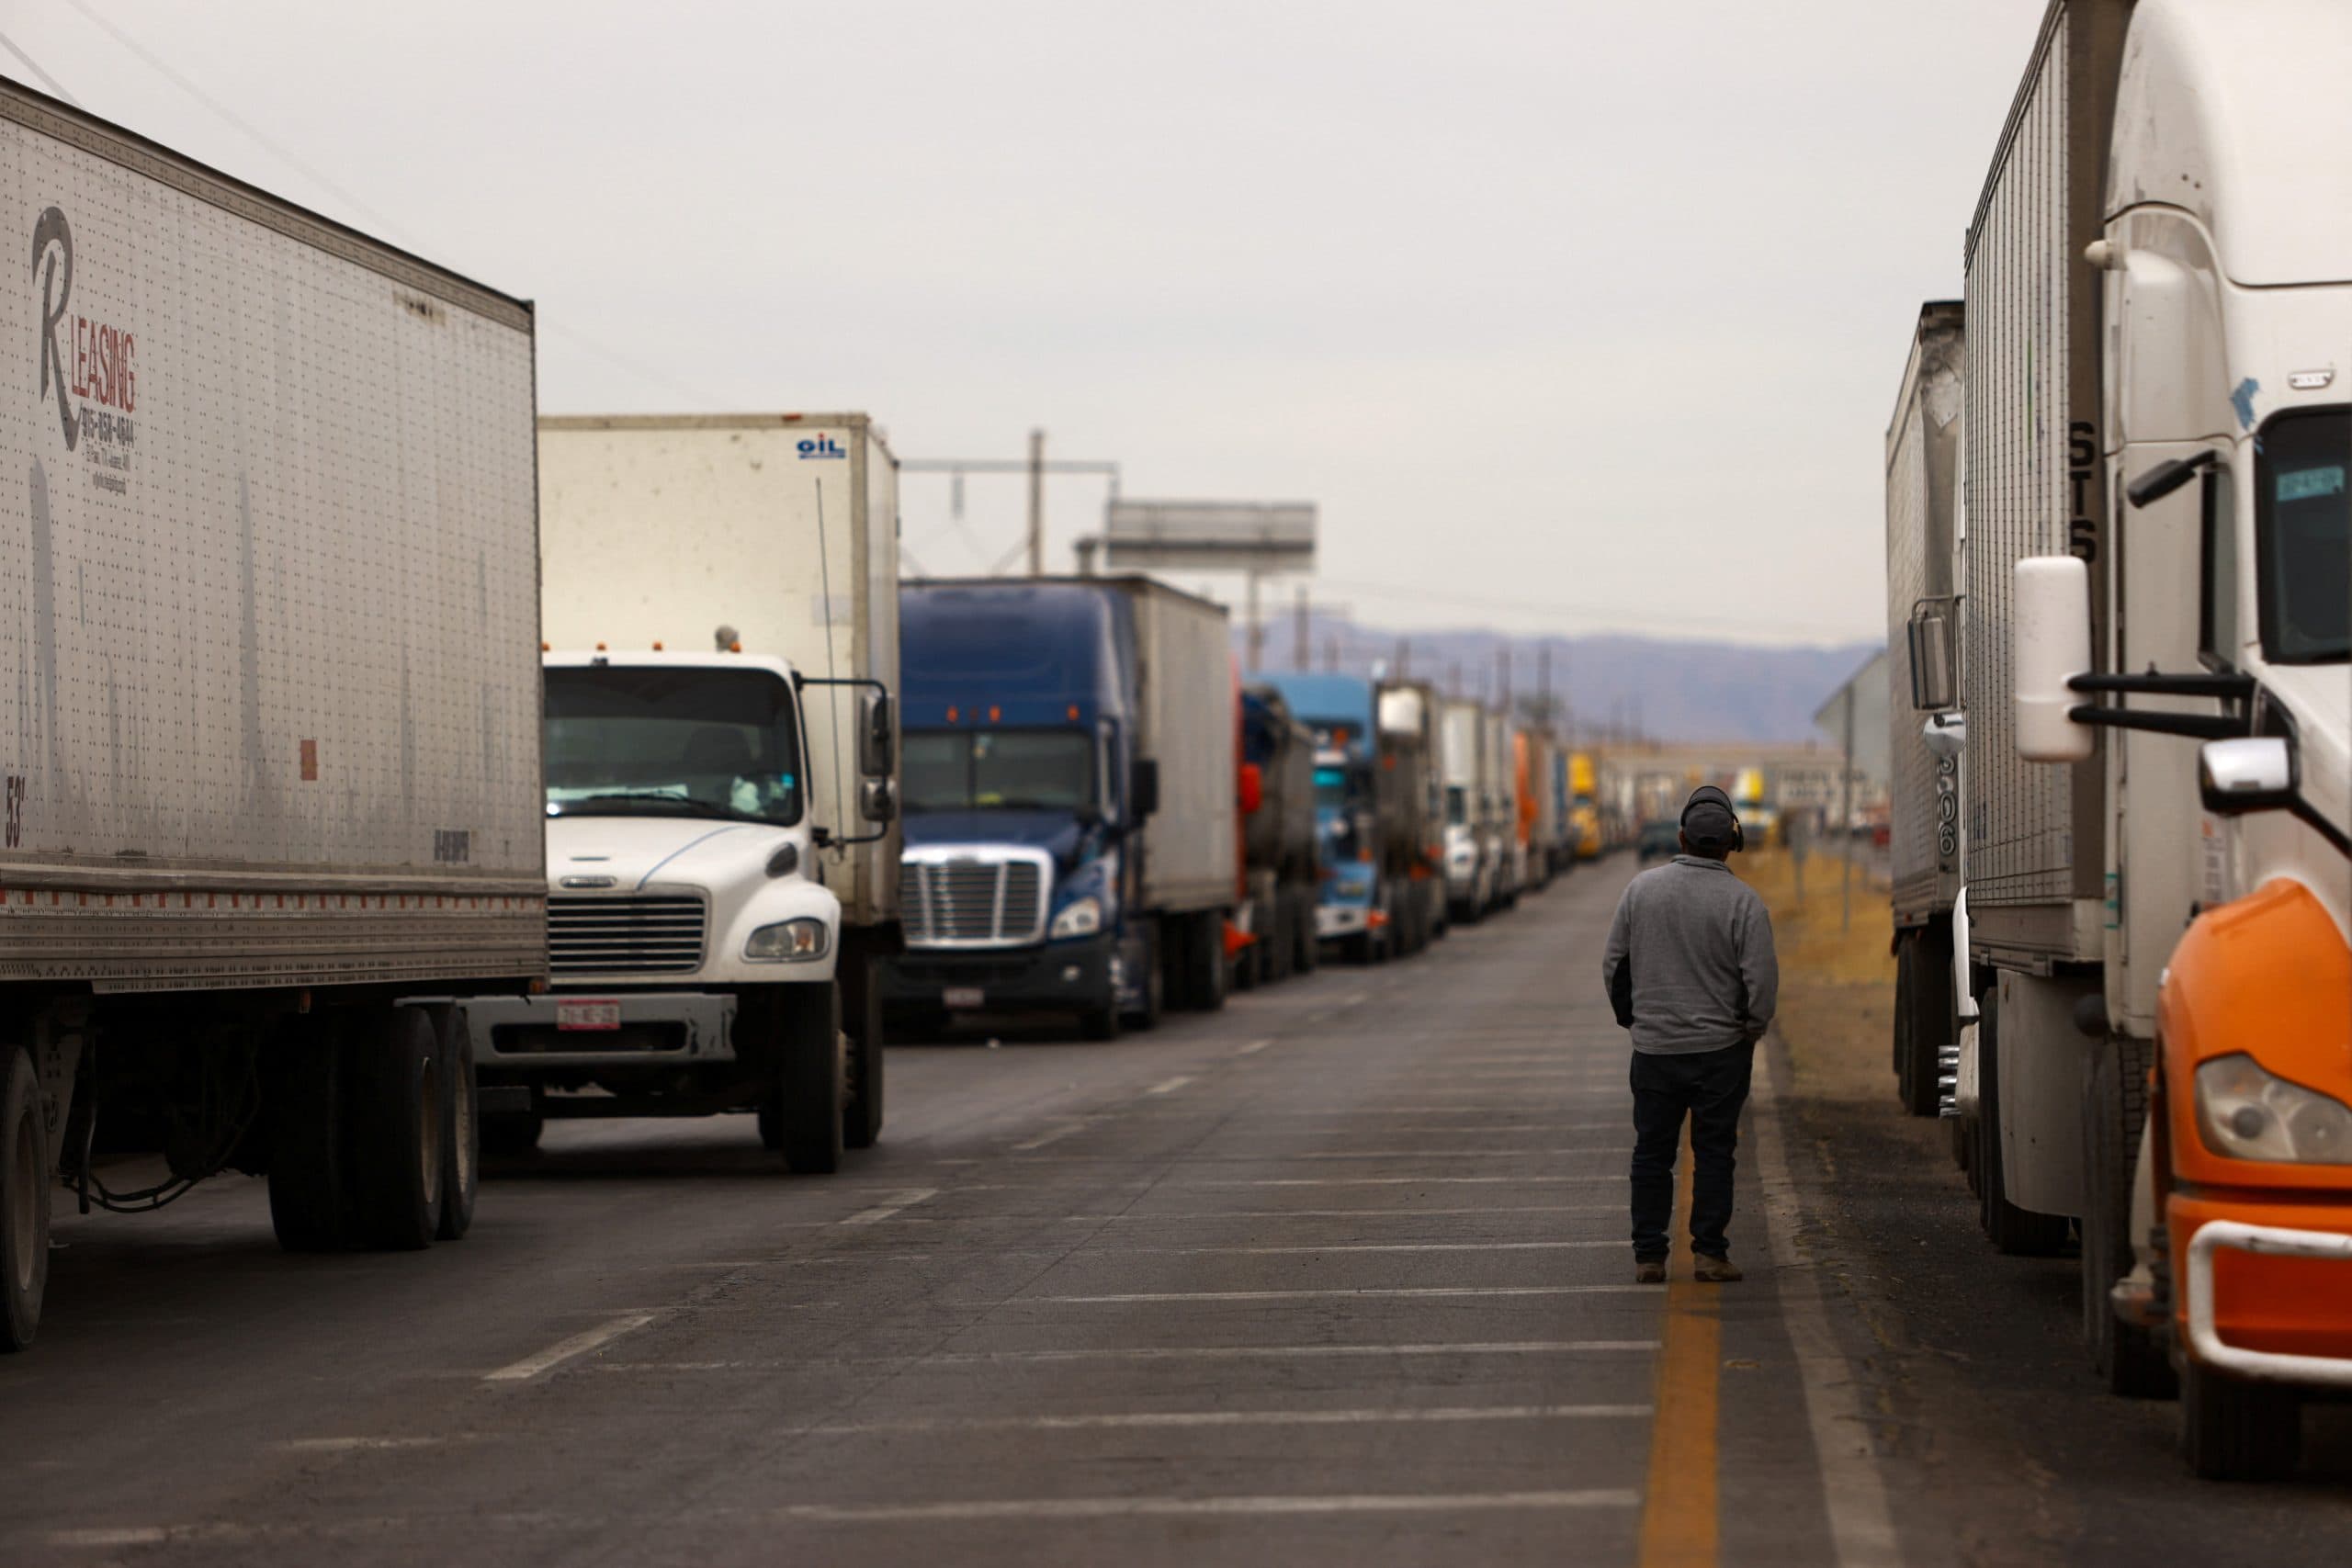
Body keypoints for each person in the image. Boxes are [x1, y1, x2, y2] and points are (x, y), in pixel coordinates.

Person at [1601, 784, 1778, 1284]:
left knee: (1652, 1152)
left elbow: (1615, 964)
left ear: (1681, 836)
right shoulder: (1745, 902)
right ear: (1730, 844)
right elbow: (1760, 981)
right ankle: (1709, 1254)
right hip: (1721, 1053)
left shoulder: (1640, 891)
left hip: (1655, 1051)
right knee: (1715, 1152)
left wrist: (1634, 1019)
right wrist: (1751, 1029)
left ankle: (1650, 1256)